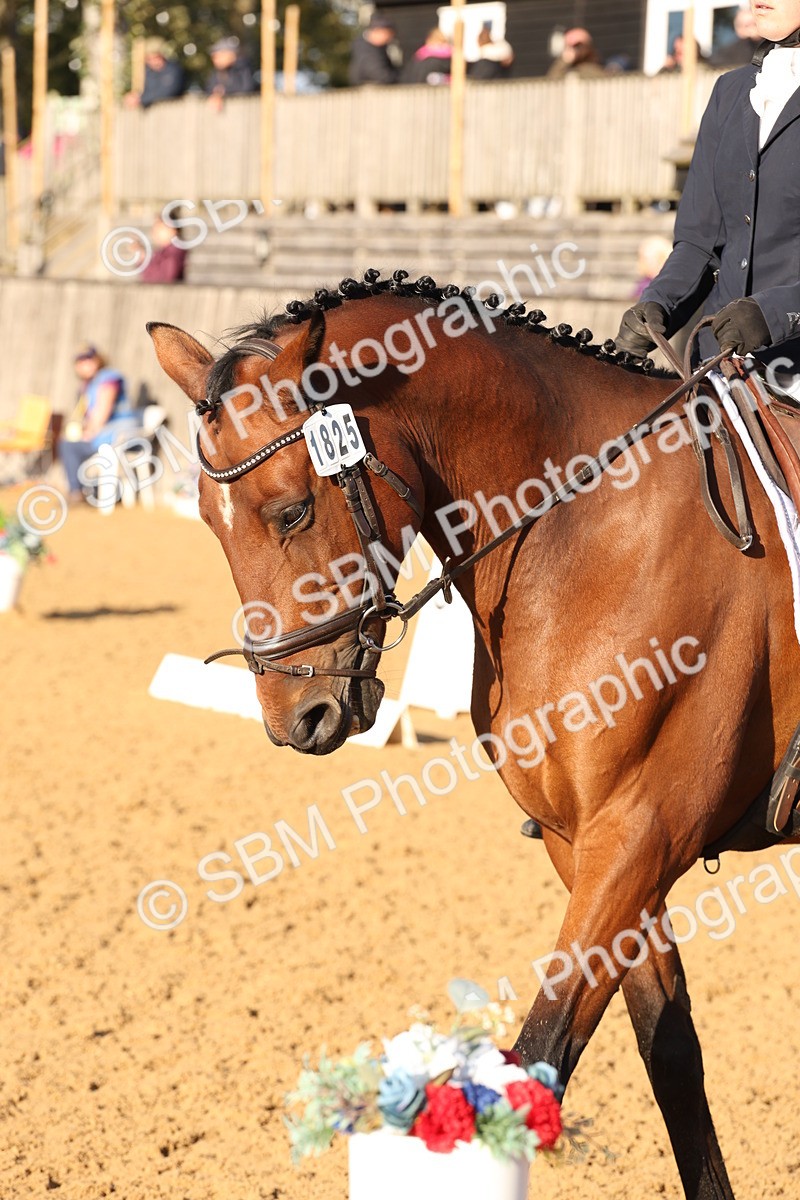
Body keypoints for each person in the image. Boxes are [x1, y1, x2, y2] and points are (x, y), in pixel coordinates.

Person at [615, 0, 800, 386]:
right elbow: (701, 241)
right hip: (718, 365)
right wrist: (659, 304)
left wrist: (778, 311)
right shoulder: (729, 92)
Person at [59, 347, 136, 504]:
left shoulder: (108, 377)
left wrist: (89, 432)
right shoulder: (87, 385)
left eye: (88, 359)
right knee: (68, 442)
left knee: (68, 446)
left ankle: (76, 493)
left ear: (98, 360)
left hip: (119, 433)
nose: (85, 364)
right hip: (105, 433)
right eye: (80, 360)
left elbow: (102, 412)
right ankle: (82, 490)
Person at [125, 39, 185, 109]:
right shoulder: (146, 71)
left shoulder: (173, 70)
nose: (153, 62)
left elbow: (167, 92)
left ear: (162, 56)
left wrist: (141, 99)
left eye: (156, 57)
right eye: (149, 59)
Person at [206, 36, 256, 110]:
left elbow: (246, 88)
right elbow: (209, 88)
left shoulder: (242, 69)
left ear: (231, 55)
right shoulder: (217, 72)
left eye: (218, 55)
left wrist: (222, 92)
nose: (215, 59)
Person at [348, 14, 400, 86]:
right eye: (388, 34)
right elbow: (381, 75)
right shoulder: (365, 50)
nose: (389, 39)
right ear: (377, 31)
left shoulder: (380, 48)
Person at [139, 216, 188, 284]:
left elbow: (165, 280)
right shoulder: (162, 252)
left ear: (172, 229)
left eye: (159, 228)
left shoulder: (174, 253)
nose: (155, 232)